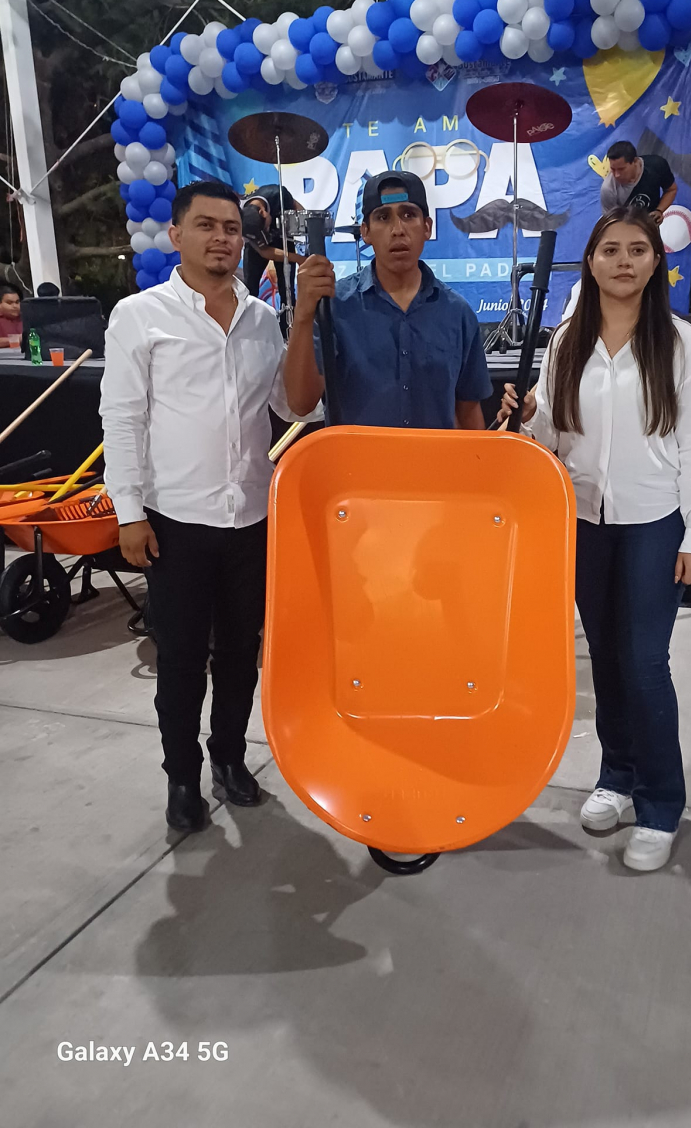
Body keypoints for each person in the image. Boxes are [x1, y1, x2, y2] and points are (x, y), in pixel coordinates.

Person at [499, 206, 691, 873]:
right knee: (608, 660)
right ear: (590, 263)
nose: (624, 261)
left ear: (655, 262)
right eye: (611, 250)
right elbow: (552, 438)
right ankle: (616, 777)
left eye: (637, 250)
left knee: (646, 663)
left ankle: (660, 804)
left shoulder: (678, 344)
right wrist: (526, 417)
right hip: (584, 524)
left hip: (655, 524)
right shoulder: (568, 341)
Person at [100, 180, 308, 834]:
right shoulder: (140, 315)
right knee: (182, 661)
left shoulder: (262, 319)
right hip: (175, 523)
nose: (222, 237)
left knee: (241, 655)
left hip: (251, 519)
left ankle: (229, 758)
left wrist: (308, 328)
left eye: (232, 228)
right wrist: (129, 511)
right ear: (176, 235)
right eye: (207, 225)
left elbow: (292, 405)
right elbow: (122, 419)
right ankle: (182, 778)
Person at [284, 171, 491, 429]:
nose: (398, 230)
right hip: (354, 457)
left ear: (427, 227)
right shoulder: (335, 305)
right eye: (383, 217)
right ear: (366, 232)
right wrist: (303, 314)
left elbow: (469, 412)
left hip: (435, 457)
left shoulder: (457, 313)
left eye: (409, 215)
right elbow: (300, 404)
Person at [241, 185, 304, 337]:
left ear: (263, 211)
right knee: (249, 289)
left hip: (283, 238)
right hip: (257, 249)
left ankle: (287, 332)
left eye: (265, 227)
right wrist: (298, 258)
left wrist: (303, 224)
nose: (266, 232)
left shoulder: (278, 195)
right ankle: (249, 330)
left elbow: (299, 210)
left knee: (287, 289)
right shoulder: (242, 218)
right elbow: (265, 251)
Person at [600, 141, 677, 224]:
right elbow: (611, 222)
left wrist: (659, 210)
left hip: (651, 226)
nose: (616, 175)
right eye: (613, 169)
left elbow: (671, 190)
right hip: (625, 227)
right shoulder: (608, 189)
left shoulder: (657, 166)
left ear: (635, 161)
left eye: (621, 169)